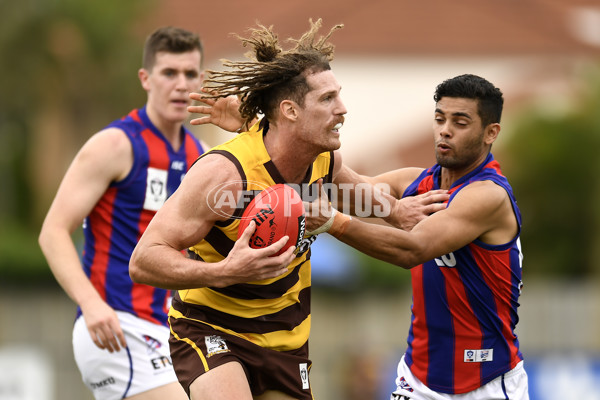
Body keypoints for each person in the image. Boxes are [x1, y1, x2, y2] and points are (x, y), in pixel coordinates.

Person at [129, 19, 447, 400]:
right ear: (290, 111)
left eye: (339, 95)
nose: (343, 109)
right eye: (327, 99)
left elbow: (358, 192)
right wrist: (224, 271)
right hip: (212, 329)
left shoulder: (324, 161)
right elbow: (143, 260)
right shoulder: (223, 174)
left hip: (285, 342)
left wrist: (398, 211)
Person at [307, 74, 529, 400]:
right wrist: (270, 130)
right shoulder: (415, 183)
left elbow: (413, 249)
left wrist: (333, 224)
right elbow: (335, 190)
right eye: (440, 119)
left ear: (490, 133)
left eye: (460, 122)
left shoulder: (488, 196)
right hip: (418, 381)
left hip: (486, 383)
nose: (445, 130)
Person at [38, 26, 209, 400]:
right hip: (116, 325)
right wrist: (90, 304)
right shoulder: (116, 145)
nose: (181, 84)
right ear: (146, 79)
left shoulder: (203, 156)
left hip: (171, 330)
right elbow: (52, 232)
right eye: (169, 73)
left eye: (190, 73)